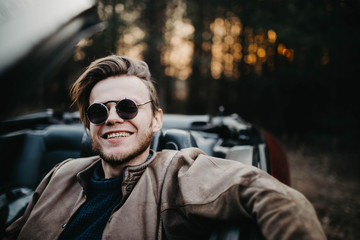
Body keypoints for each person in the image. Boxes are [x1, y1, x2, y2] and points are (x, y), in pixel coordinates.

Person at [5, 55, 326, 239]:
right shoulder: (60, 174)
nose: (113, 118)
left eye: (128, 108)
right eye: (98, 111)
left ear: (156, 119)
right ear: (88, 125)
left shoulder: (177, 173)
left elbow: (274, 196)